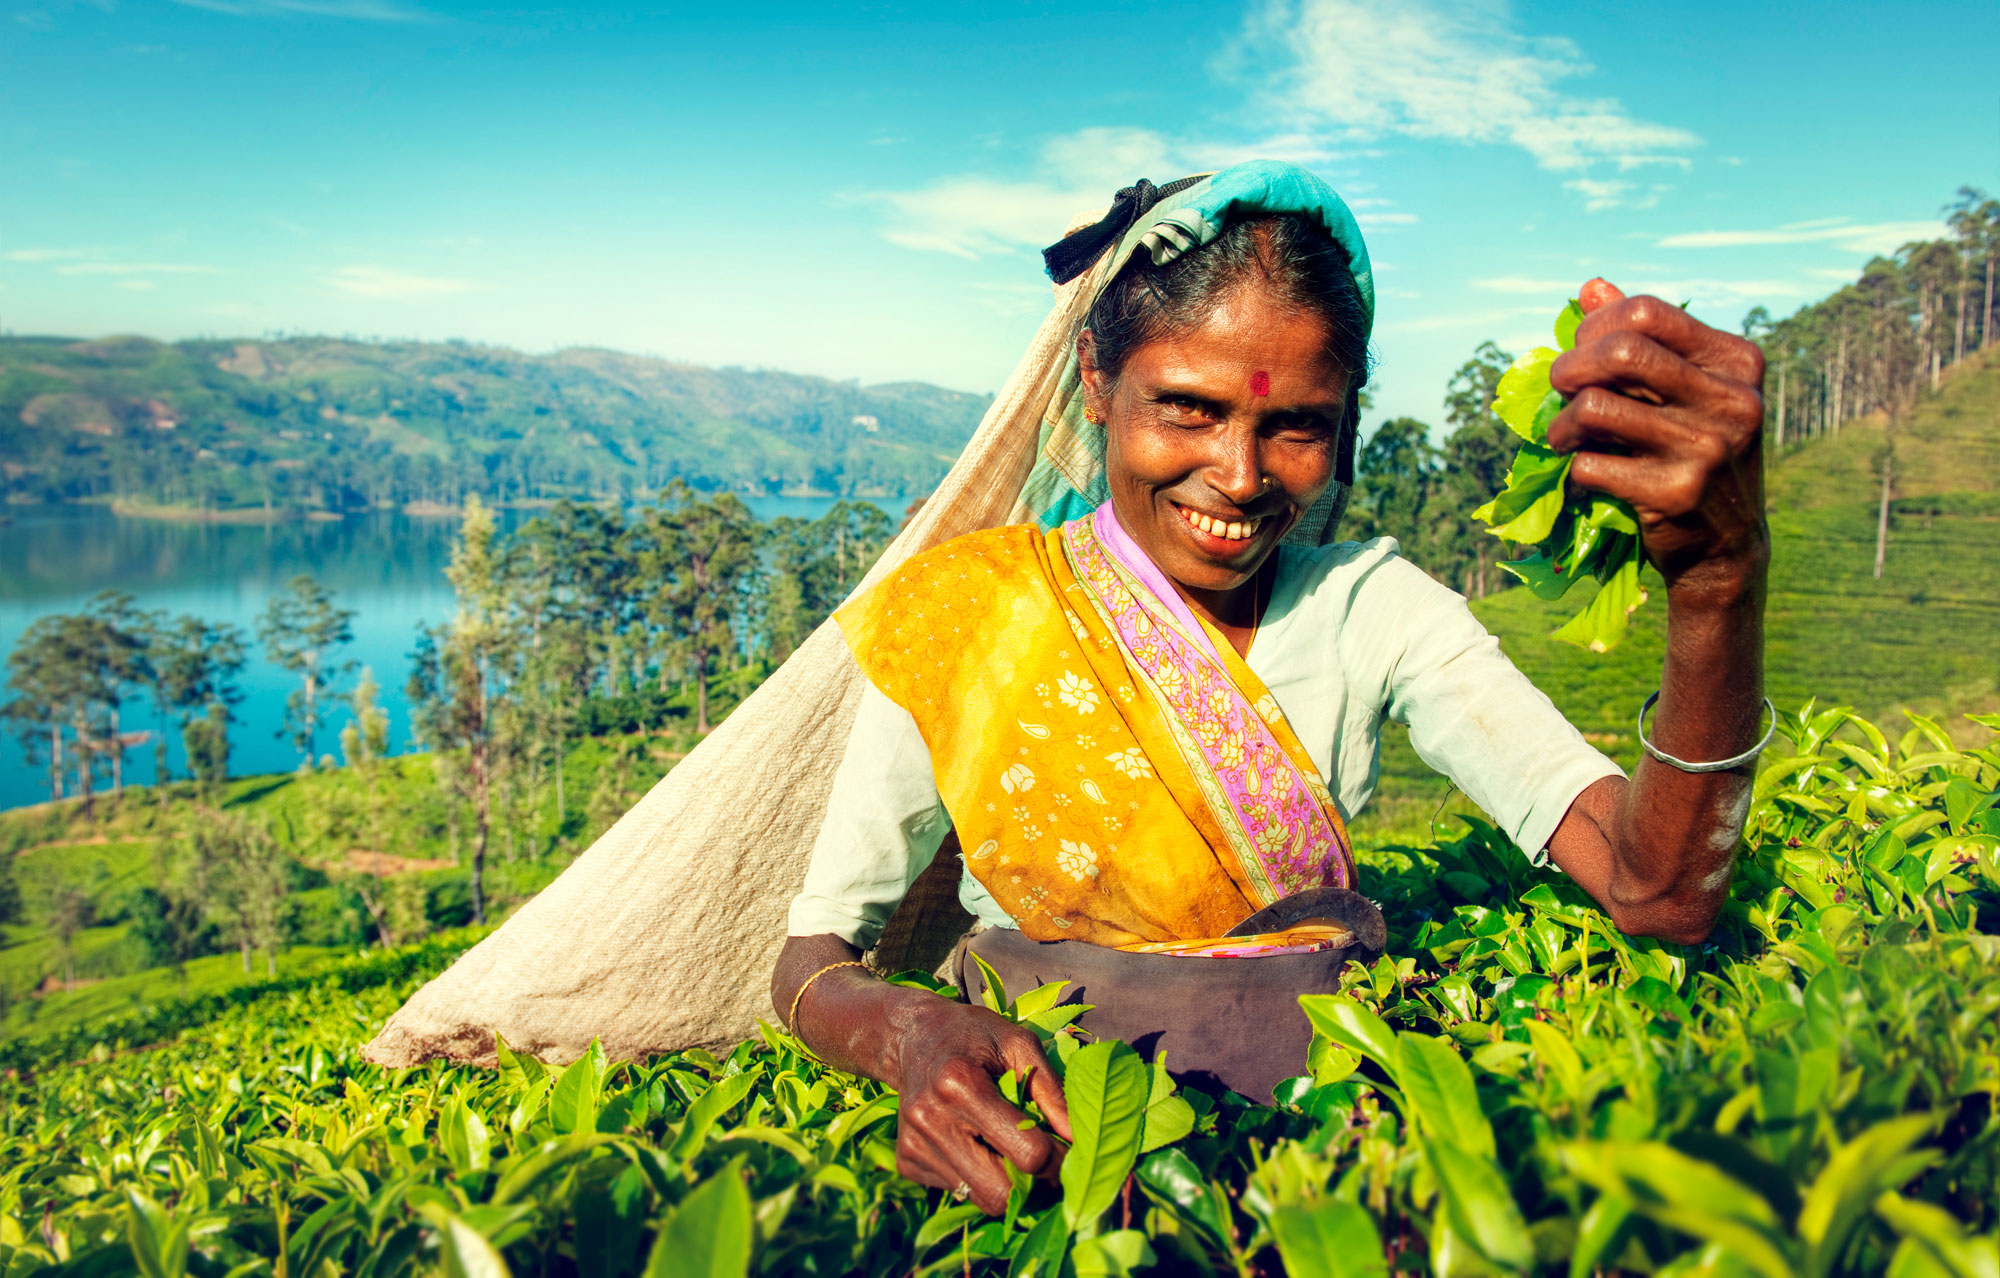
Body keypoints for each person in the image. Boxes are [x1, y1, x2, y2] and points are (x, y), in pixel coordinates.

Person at [771, 161, 1768, 1214]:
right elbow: (809, 962)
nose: (1240, 477)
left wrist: (1714, 585)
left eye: (1293, 425)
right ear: (1096, 382)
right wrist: (910, 1035)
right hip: (1037, 1174)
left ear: (1342, 421)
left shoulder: (1371, 609)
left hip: (1314, 1173)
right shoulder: (968, 616)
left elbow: (1654, 891)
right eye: (1187, 410)